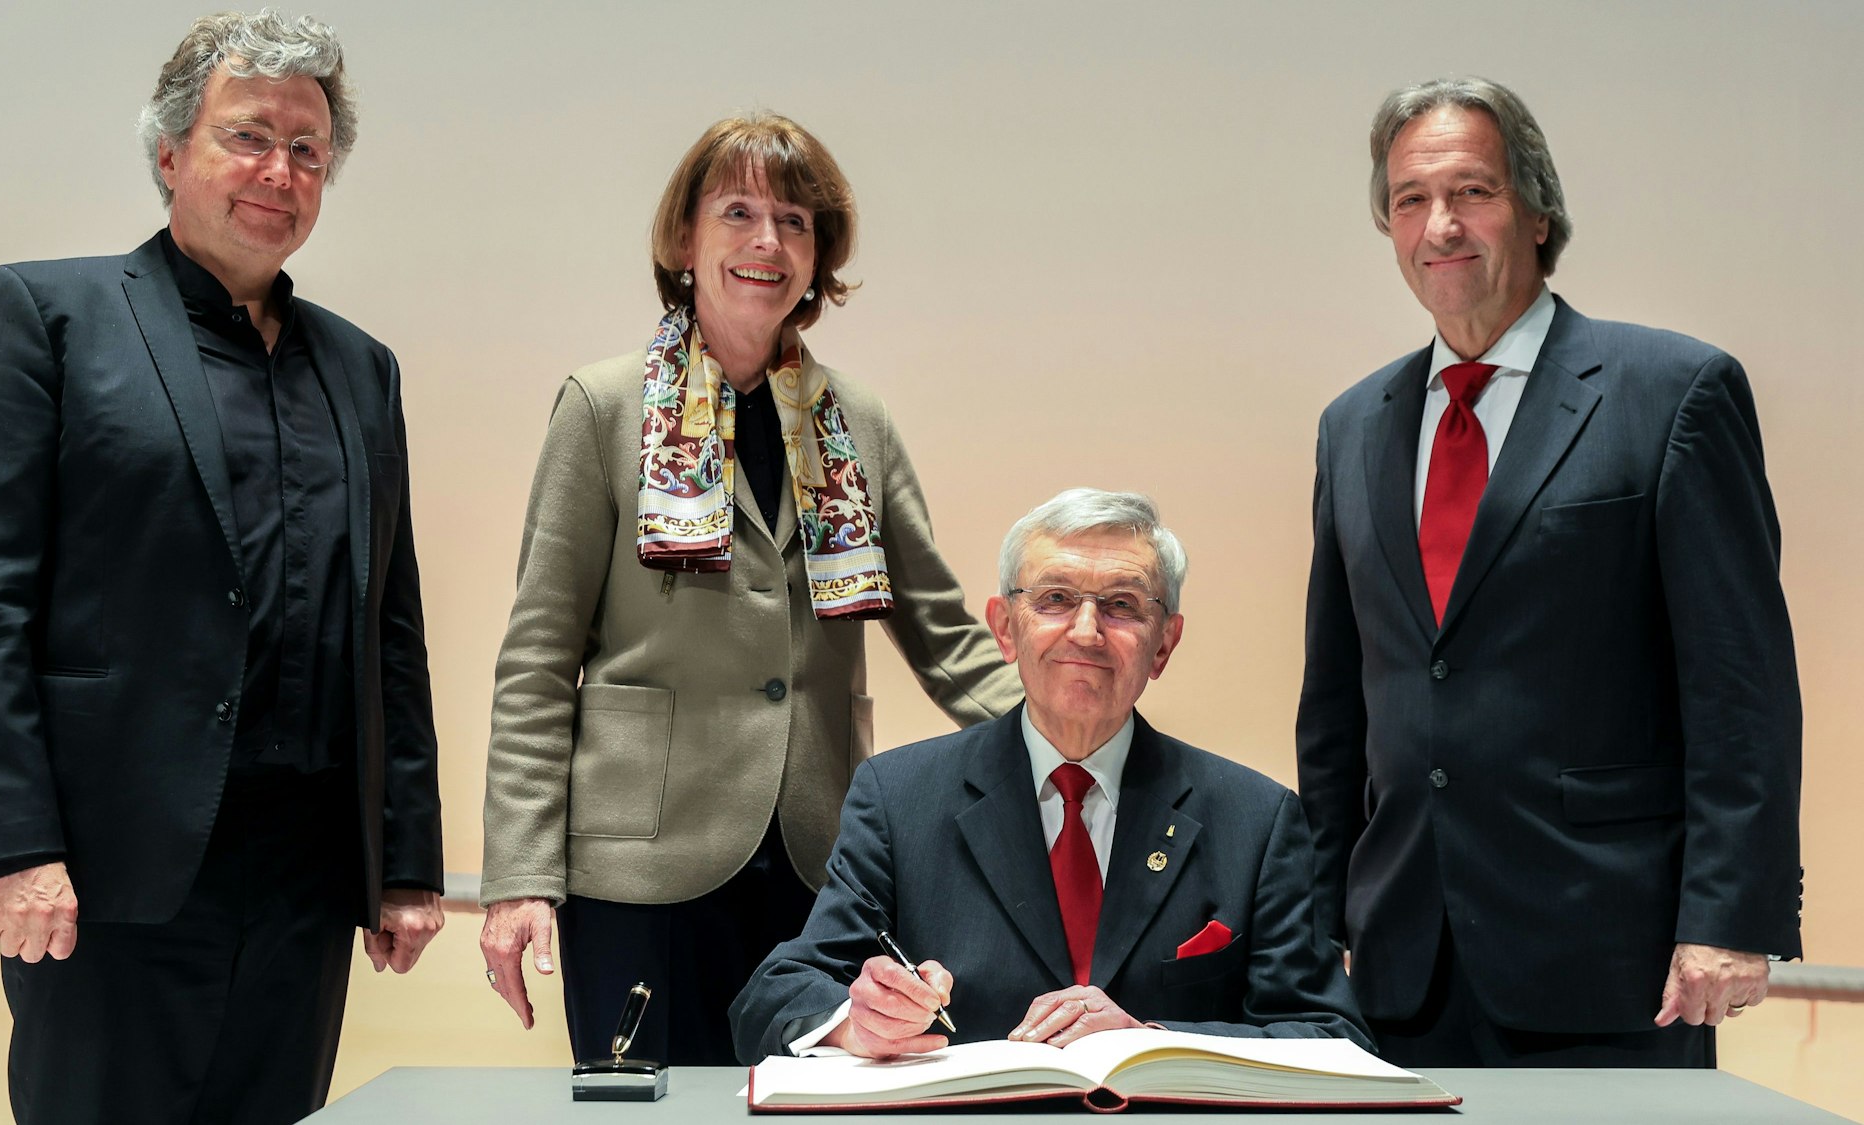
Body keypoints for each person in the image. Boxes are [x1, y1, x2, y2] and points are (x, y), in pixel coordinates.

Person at [0, 11, 444, 1122]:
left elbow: (386, 627)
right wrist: (13, 846)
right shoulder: (46, 316)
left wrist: (402, 858)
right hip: (109, 878)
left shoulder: (361, 368)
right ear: (169, 154)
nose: (279, 171)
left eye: (307, 151)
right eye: (248, 136)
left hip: (303, 883)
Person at [477, 112, 1019, 1066]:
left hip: (818, 861)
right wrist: (519, 876)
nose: (768, 242)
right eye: (738, 212)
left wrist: (1077, 738)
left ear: (819, 257)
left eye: (796, 221)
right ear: (685, 240)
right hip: (640, 867)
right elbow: (536, 658)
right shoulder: (601, 408)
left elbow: (943, 633)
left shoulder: (857, 419)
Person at [1296, 76, 1801, 1069]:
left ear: (1533, 211)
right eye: (1408, 201)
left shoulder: (1670, 394)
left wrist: (1728, 912)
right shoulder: (1351, 426)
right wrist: (1317, 924)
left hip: (1613, 958)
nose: (1439, 224)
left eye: (1469, 192)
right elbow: (1335, 711)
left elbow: (1737, 683)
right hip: (1403, 963)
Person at [731, 489, 1368, 1060]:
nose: (1086, 632)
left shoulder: (1256, 818)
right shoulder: (898, 798)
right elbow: (775, 996)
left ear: (1164, 643)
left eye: (1121, 606)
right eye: (1056, 600)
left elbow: (1330, 1035)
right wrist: (854, 1022)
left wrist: (1153, 1040)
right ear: (1006, 630)